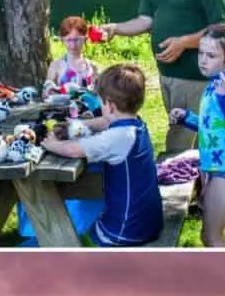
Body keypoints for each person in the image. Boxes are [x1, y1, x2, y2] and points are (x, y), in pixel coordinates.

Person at [100, 0, 225, 152]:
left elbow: (220, 28)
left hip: (195, 76)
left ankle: (186, 186)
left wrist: (184, 43)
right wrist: (115, 29)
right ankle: (201, 184)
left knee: (181, 143)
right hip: (166, 73)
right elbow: (145, 19)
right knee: (186, 136)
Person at [42, 62, 163, 248]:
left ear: (110, 106)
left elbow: (74, 150)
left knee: (81, 236)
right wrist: (77, 126)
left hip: (124, 232)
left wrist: (51, 144)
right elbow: (106, 121)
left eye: (100, 101)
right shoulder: (135, 124)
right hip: (147, 223)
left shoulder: (117, 137)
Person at [169, 23, 225, 247]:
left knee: (212, 237)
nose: (203, 60)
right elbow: (211, 128)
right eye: (201, 53)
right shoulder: (212, 85)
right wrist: (186, 118)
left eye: (211, 55)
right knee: (207, 237)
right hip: (212, 169)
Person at [44, 16, 98, 95]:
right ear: (62, 40)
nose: (73, 45)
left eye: (77, 40)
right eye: (69, 40)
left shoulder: (92, 67)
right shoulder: (56, 65)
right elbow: (45, 95)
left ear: (85, 39)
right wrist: (50, 91)